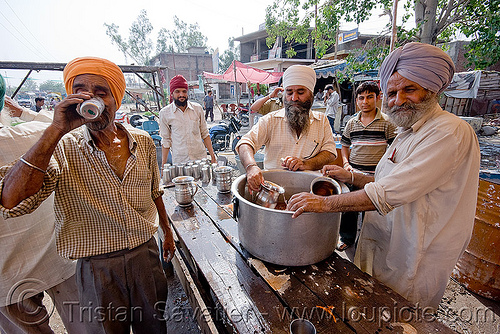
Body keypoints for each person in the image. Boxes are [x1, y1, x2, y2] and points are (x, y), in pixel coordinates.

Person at [286, 42, 480, 310]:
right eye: (392, 92)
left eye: (409, 89)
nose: (398, 100)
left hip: (415, 255)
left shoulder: (448, 132)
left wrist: (323, 204)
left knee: (401, 318)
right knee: (372, 312)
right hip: (385, 244)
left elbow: (388, 193)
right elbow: (386, 181)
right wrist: (350, 176)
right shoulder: (406, 132)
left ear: (431, 89)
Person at [0, 57, 175, 333]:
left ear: (116, 99)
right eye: (80, 90)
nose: (89, 98)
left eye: (100, 92)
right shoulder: (61, 146)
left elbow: (155, 190)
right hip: (97, 270)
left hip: (146, 257)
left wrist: (166, 232)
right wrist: (55, 130)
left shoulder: (141, 140)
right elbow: (11, 200)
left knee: (154, 328)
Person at [0, 77, 85, 334]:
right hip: (56, 257)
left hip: (8, 276)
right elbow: (66, 125)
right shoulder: (25, 134)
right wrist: (24, 113)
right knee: (85, 324)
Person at [236, 65, 337, 192]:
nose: (294, 98)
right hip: (273, 193)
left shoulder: (321, 120)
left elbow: (330, 153)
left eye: (300, 92)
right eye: (289, 92)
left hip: (310, 192)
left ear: (311, 94)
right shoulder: (270, 120)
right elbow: (245, 143)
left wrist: (305, 164)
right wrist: (251, 167)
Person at [336, 81, 397, 251]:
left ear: (378, 98)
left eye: (370, 97)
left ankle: (370, 243)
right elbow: (345, 145)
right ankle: (346, 239)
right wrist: (346, 163)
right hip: (353, 175)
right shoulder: (351, 123)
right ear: (356, 101)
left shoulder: (387, 123)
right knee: (349, 208)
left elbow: (395, 149)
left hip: (376, 177)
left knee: (372, 211)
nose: (365, 102)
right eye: (361, 98)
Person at [159, 75, 216, 165]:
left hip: (200, 160)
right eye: (177, 91)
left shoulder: (197, 109)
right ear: (172, 93)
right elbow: (166, 141)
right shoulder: (165, 113)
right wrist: (163, 165)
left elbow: (205, 134)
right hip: (180, 162)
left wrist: (212, 156)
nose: (181, 95)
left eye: (184, 91)